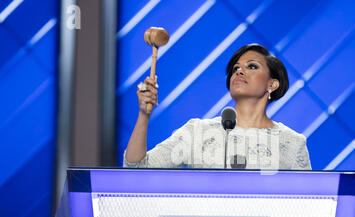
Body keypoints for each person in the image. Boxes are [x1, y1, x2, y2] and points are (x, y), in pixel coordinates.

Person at [124, 44, 311, 170]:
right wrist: (143, 115)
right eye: (235, 68)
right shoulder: (197, 131)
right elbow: (137, 167)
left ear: (272, 85)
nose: (239, 71)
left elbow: (308, 205)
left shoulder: (293, 142)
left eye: (252, 66)